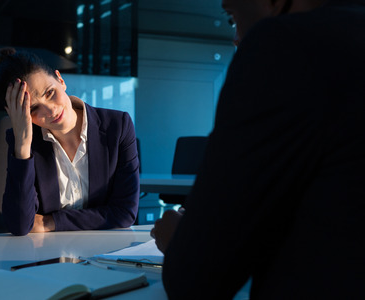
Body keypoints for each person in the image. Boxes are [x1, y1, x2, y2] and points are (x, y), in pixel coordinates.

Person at [152, 0, 365, 298]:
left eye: (232, 16)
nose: (236, 37)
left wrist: (178, 239)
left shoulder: (285, 44)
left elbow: (197, 277)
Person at [0, 48, 140, 236]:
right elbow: (20, 226)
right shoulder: (24, 142)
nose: (50, 110)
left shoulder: (118, 127)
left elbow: (125, 213)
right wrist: (22, 147)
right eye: (34, 109)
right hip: (48, 256)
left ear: (60, 80)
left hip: (104, 252)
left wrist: (49, 222)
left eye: (50, 93)